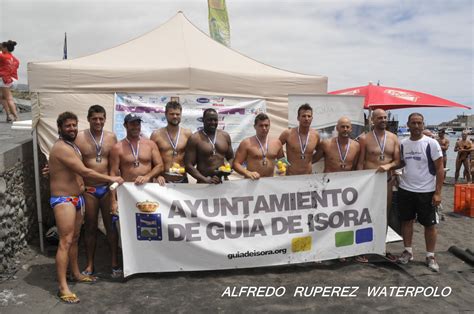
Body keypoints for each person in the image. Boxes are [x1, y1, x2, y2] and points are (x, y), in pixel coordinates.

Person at [49, 112, 123, 304]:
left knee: (74, 239)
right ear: (59, 128)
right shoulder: (61, 148)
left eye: (74, 125)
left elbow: (68, 168)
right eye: (67, 126)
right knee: (65, 241)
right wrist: (111, 179)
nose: (72, 129)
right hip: (64, 199)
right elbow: (83, 170)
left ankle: (75, 274)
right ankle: (63, 287)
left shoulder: (71, 145)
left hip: (77, 198)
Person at [74, 105, 121, 278]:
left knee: (111, 227)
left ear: (105, 119)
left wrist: (114, 192)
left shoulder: (111, 137)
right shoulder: (79, 138)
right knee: (90, 228)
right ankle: (90, 264)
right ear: (88, 119)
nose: (98, 122)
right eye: (94, 118)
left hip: (107, 188)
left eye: (101, 118)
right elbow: (73, 163)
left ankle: (115, 262)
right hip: (89, 190)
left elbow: (114, 165)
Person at [397, 113, 443, 272]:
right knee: (406, 221)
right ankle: (408, 251)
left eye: (419, 123)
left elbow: (439, 169)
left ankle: (430, 255)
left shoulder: (431, 143)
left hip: (427, 191)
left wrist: (438, 193)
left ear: (423, 125)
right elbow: (401, 163)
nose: (416, 126)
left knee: (429, 225)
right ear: (408, 124)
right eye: (413, 123)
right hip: (406, 189)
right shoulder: (402, 143)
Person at [356, 109, 400, 262]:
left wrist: (389, 167)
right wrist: (358, 183)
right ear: (372, 120)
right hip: (369, 183)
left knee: (384, 215)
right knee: (365, 215)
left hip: (386, 182)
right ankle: (363, 248)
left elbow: (397, 161)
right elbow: (360, 162)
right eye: (379, 117)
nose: (383, 120)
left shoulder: (394, 138)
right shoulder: (364, 139)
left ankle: (381, 246)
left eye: (385, 117)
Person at [109, 113, 164, 210]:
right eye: (132, 124)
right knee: (128, 222)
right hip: (128, 190)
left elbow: (160, 166)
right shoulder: (117, 148)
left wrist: (147, 177)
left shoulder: (150, 144)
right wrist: (113, 200)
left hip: (148, 189)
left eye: (138, 124)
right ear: (125, 125)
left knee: (148, 220)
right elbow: (113, 174)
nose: (136, 127)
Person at [184, 108, 234, 184]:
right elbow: (188, 165)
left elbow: (231, 158)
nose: (213, 122)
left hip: (223, 182)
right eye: (209, 120)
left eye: (215, 120)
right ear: (203, 120)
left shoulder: (225, 136)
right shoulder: (195, 138)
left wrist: (227, 169)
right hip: (204, 183)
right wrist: (205, 179)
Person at [150, 101, 192, 184]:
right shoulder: (156, 135)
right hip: (163, 181)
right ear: (166, 114)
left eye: (177, 114)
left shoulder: (188, 134)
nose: (175, 116)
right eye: (172, 114)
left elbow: (193, 157)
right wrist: (157, 175)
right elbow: (150, 159)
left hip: (182, 180)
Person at [233, 113, 284, 179]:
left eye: (266, 125)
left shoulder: (277, 143)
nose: (264, 128)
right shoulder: (246, 143)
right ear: (255, 126)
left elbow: (282, 161)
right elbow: (236, 164)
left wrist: (283, 169)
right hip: (251, 182)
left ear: (269, 126)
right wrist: (248, 173)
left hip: (270, 183)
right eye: (261, 125)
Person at [279, 104, 320, 175]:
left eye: (309, 116)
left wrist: (309, 161)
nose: (306, 118)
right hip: (291, 176)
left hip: (308, 176)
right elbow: (276, 148)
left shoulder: (316, 135)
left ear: (312, 118)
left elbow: (320, 151)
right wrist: (283, 166)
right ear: (298, 118)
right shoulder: (288, 133)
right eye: (303, 116)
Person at [0, 40, 19, 122]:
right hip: (14, 80)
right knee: (2, 97)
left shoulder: (2, 56)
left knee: (9, 98)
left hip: (5, 79)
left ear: (5, 48)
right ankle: (8, 116)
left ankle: (16, 117)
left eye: (2, 47)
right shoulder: (16, 60)